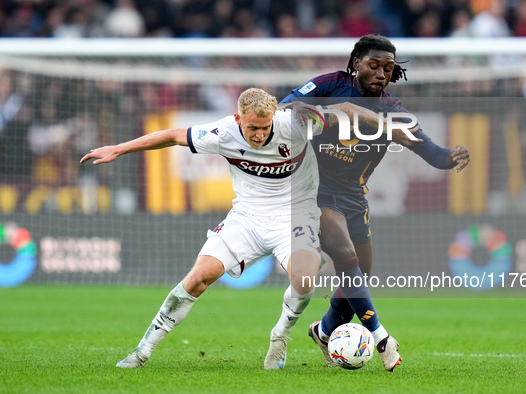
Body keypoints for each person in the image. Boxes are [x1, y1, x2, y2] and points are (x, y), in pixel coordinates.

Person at [80, 88, 327, 369]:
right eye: (252, 128)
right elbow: (172, 136)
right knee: (198, 278)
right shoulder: (223, 132)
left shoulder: (296, 125)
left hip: (296, 216)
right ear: (238, 119)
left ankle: (280, 335)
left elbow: (343, 118)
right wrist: (119, 148)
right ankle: (141, 351)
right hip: (247, 218)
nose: (259, 135)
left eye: (265, 127)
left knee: (305, 280)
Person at [265, 34, 470, 372]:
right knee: (348, 258)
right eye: (374, 66)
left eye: (388, 69)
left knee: (360, 276)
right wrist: (341, 110)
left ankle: (324, 330)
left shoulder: (392, 109)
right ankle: (383, 339)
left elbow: (430, 150)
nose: (381, 73)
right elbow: (285, 108)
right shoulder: (330, 84)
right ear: (357, 63)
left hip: (353, 196)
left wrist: (450, 157)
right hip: (313, 190)